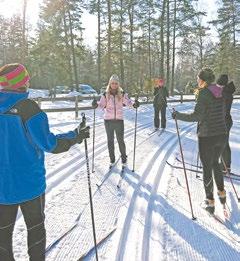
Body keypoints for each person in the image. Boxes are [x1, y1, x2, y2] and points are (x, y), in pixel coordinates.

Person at [0, 63, 90, 261]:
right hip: (29, 185)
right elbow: (49, 144)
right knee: (35, 228)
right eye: (26, 78)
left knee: (2, 237)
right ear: (20, 82)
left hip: (2, 188)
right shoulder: (28, 108)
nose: (29, 81)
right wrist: (75, 135)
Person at [172, 68, 227, 214]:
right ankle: (222, 194)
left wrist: (178, 115)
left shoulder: (203, 93)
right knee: (216, 163)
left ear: (203, 80)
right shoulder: (220, 91)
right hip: (222, 134)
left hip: (207, 136)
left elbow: (197, 116)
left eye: (198, 78)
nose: (197, 80)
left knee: (207, 167)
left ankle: (210, 202)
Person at [92, 74, 139, 168]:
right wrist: (95, 105)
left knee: (120, 140)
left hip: (119, 121)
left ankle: (124, 159)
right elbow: (101, 105)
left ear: (118, 84)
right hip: (108, 121)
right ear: (110, 83)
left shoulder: (122, 94)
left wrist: (134, 104)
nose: (114, 85)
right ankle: (112, 160)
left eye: (116, 83)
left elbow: (128, 103)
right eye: (112, 83)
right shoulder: (105, 95)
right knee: (110, 141)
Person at [216, 74, 235, 173]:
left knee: (223, 143)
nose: (217, 87)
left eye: (219, 85)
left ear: (222, 84)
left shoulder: (225, 94)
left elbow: (222, 109)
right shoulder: (226, 92)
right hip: (226, 120)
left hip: (224, 121)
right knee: (223, 143)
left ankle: (225, 167)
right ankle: (225, 165)